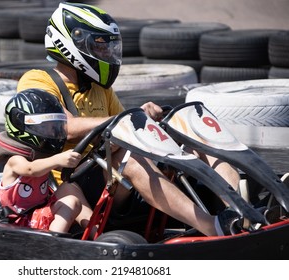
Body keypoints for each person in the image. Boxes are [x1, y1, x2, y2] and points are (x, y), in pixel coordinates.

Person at [16, 2, 241, 236]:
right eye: (99, 47)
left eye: (108, 48)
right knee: (128, 158)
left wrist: (149, 121)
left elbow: (126, 130)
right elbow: (66, 127)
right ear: (72, 43)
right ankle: (213, 227)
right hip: (70, 181)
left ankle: (239, 212)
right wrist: (129, 116)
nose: (106, 54)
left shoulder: (100, 88)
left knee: (193, 136)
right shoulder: (38, 80)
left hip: (109, 176)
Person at [0, 88, 94, 235]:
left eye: (54, 127)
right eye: (45, 127)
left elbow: (72, 170)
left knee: (71, 195)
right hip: (18, 221)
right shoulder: (14, 160)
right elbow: (31, 170)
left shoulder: (43, 158)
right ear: (21, 125)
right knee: (71, 202)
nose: (52, 133)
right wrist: (57, 160)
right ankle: (52, 244)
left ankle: (92, 233)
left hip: (38, 213)